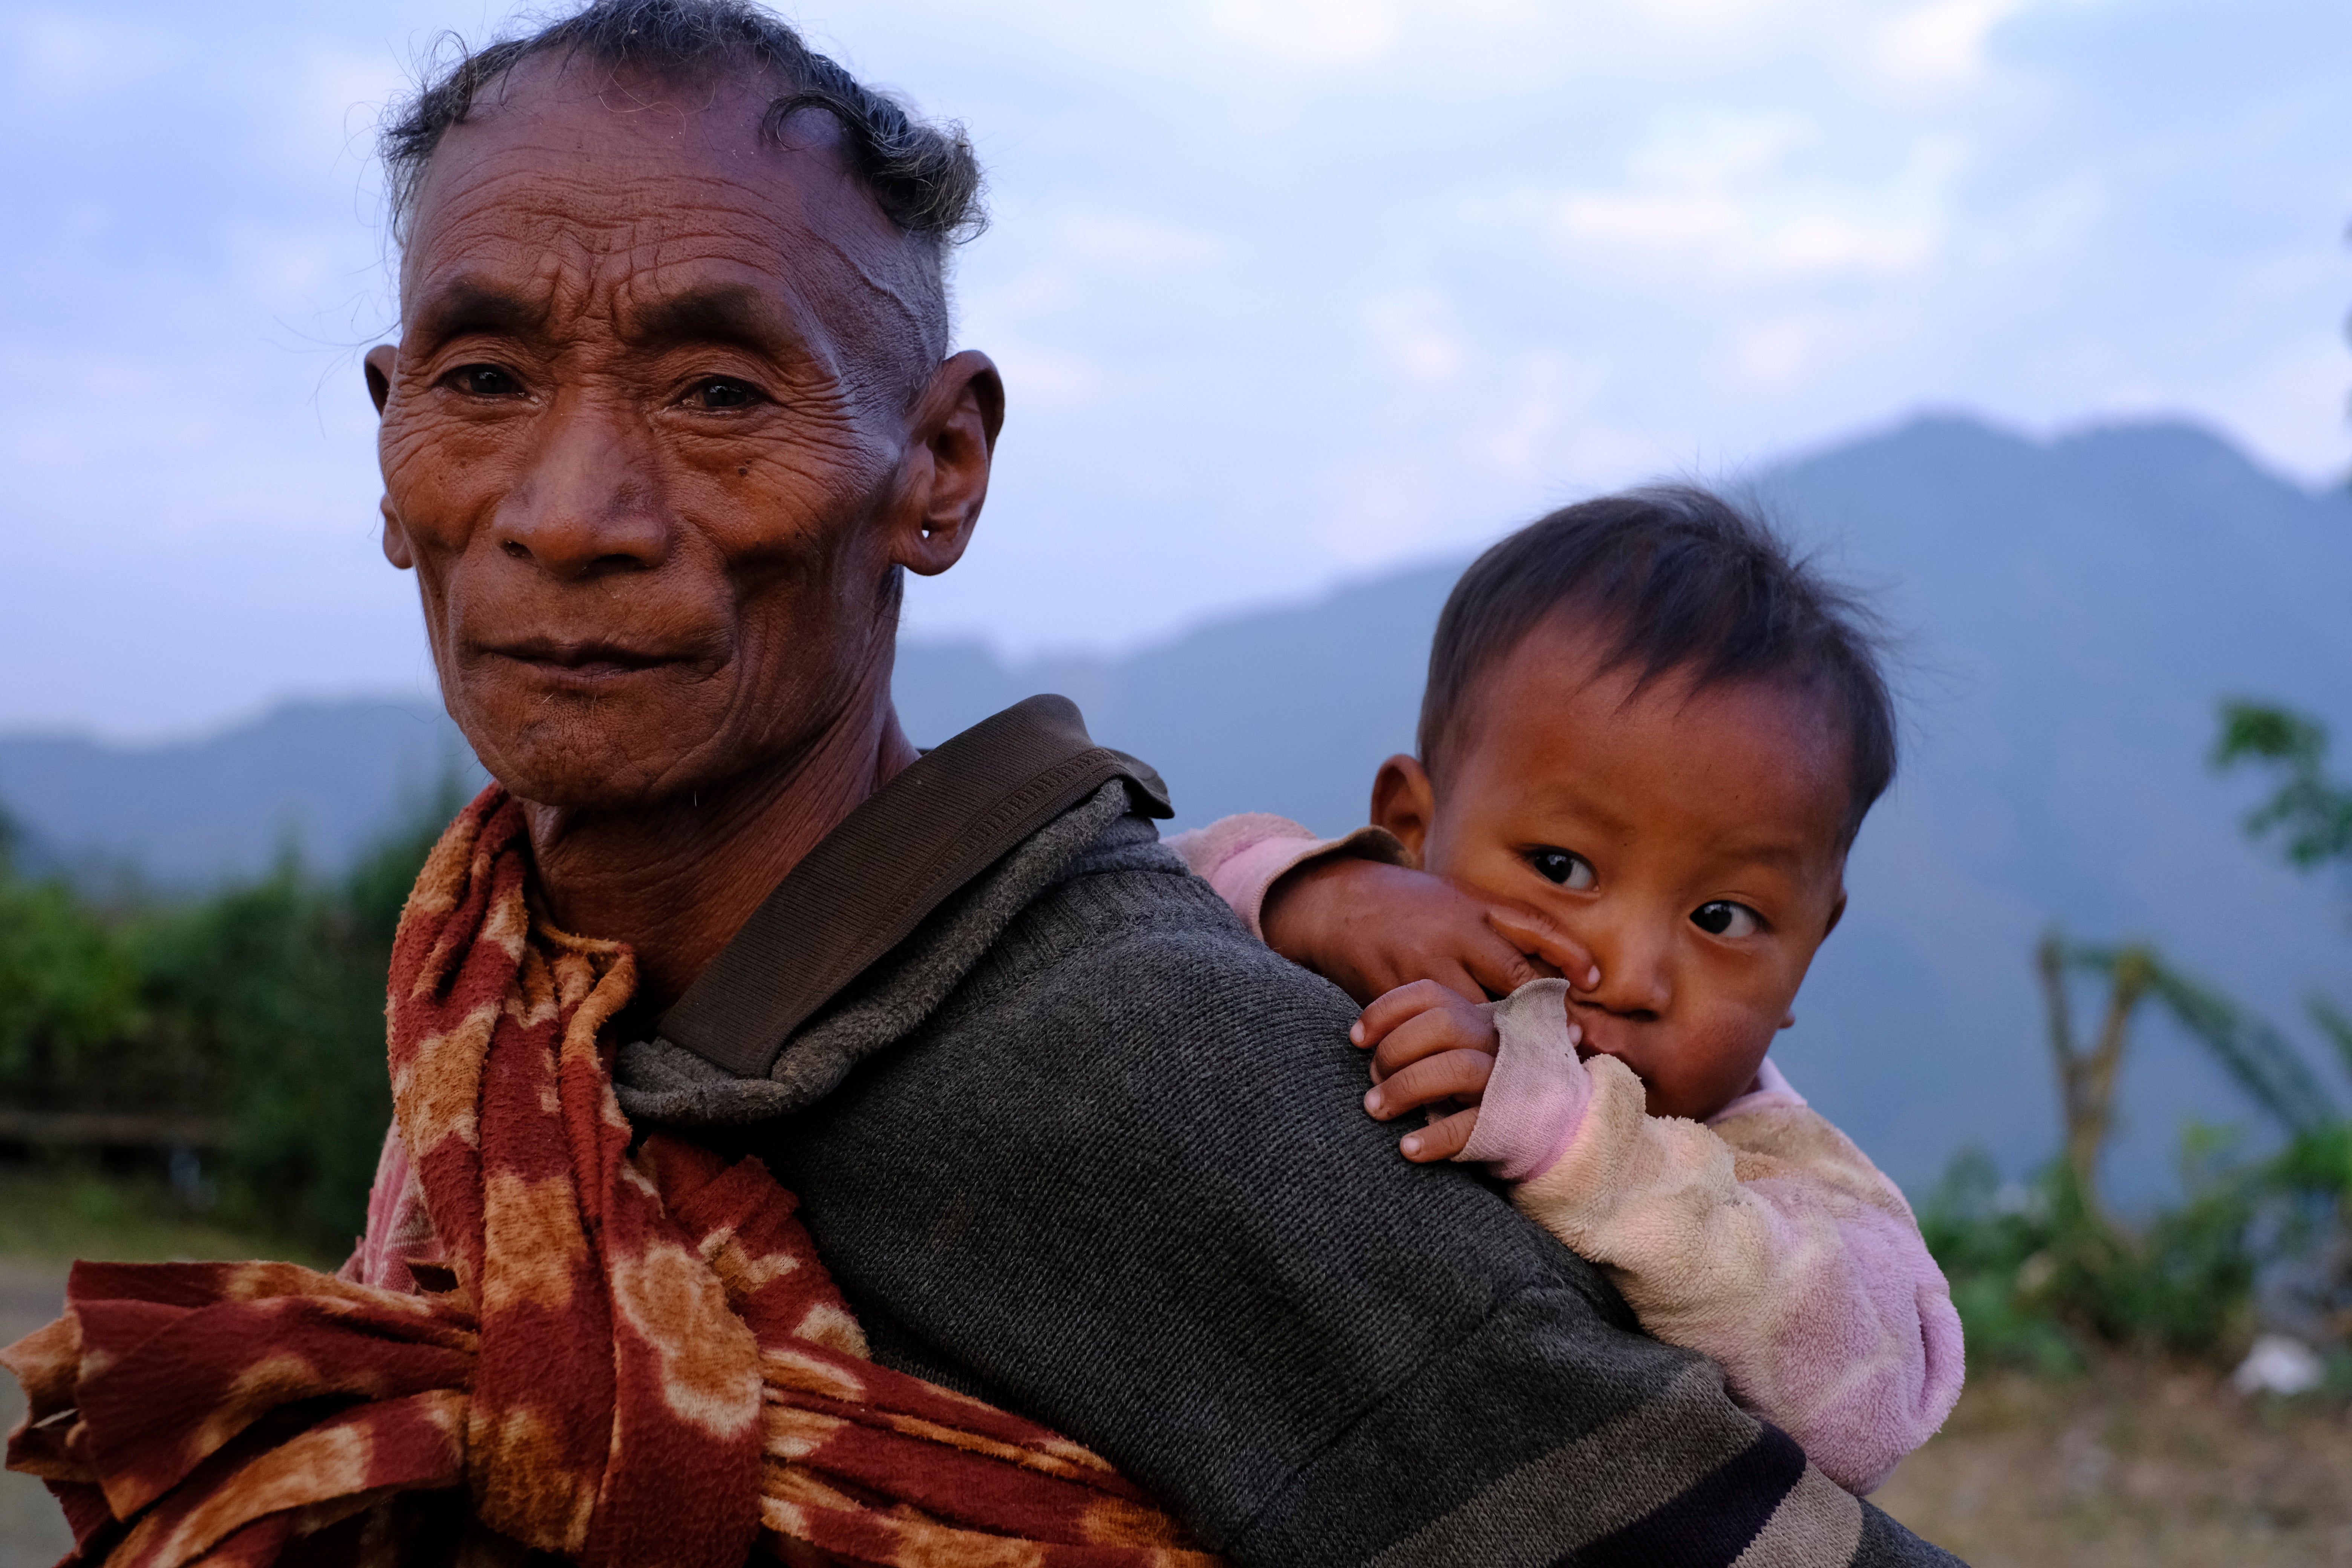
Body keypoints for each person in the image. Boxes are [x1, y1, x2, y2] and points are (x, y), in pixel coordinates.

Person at [0, 3, 1965, 1563]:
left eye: (718, 390)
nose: (570, 514)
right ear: (389, 440)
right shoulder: (510, 974)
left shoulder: (1149, 1072)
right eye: (485, 379)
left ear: (939, 470)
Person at [1170, 489, 1965, 1496]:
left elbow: (1873, 1404)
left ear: (1807, 952)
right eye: (1562, 866)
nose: (1630, 977)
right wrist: (1321, 895)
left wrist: (1582, 1141)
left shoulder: (1789, 1177)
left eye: (1723, 920)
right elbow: (1137, 910)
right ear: (1412, 828)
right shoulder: (1372, 953)